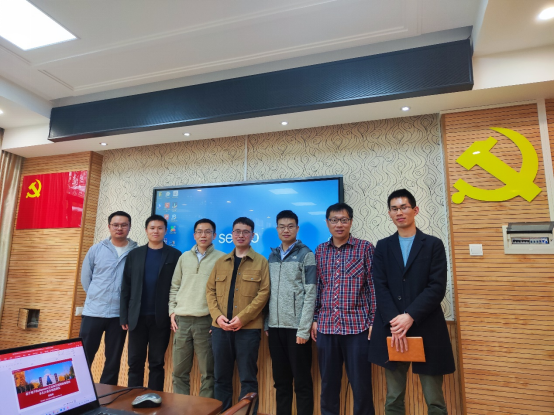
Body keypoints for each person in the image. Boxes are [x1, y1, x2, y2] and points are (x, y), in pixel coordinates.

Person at [368, 189, 455, 415]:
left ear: (415, 210)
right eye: (394, 209)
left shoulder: (433, 244)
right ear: (389, 213)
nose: (399, 212)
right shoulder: (383, 246)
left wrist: (410, 316)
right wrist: (396, 322)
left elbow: (436, 287)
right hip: (393, 330)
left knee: (434, 399)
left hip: (427, 326)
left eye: (404, 207)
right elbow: (380, 286)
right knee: (393, 397)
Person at [311, 202, 376, 415]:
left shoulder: (365, 248)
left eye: (344, 220)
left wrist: (373, 321)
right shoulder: (320, 251)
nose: (339, 224)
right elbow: (318, 288)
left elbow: (373, 287)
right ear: (327, 223)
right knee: (328, 386)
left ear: (351, 222)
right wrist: (314, 318)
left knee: (361, 385)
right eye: (334, 220)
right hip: (326, 327)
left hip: (357, 328)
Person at [206, 217, 270, 413]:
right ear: (232, 234)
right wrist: (217, 317)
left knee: (248, 379)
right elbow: (210, 291)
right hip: (220, 329)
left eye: (245, 231)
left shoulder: (261, 262)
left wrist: (243, 318)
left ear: (252, 235)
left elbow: (264, 293)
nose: (241, 235)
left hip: (248, 330)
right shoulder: (221, 262)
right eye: (237, 231)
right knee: (221, 378)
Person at [120, 214, 181, 391]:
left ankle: (155, 398)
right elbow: (126, 286)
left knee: (156, 363)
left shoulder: (175, 255)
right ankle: (133, 396)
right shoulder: (135, 254)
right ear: (146, 230)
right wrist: (124, 316)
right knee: (135, 362)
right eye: (152, 228)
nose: (156, 231)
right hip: (136, 317)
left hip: (161, 318)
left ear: (165, 231)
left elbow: (179, 287)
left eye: (160, 228)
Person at [265, 210, 316, 415]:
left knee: (302, 383)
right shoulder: (272, 255)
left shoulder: (306, 254)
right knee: (281, 382)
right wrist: (267, 322)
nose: (286, 230)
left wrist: (303, 330)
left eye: (290, 226)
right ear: (277, 229)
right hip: (275, 328)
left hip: (297, 330)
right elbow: (268, 292)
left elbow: (311, 293)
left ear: (297, 228)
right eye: (282, 226)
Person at [80, 211, 137, 385]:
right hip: (93, 312)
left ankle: (107, 393)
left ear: (129, 227)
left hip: (118, 315)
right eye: (115, 225)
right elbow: (86, 279)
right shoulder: (96, 249)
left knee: (113, 359)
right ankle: (82, 390)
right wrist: (97, 296)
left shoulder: (136, 252)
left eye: (124, 225)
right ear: (109, 226)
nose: (119, 228)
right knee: (84, 355)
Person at [169, 218, 225, 397]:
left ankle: (205, 409)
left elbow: (223, 293)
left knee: (208, 373)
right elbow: (175, 286)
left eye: (208, 231)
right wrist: (172, 311)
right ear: (194, 235)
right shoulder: (184, 257)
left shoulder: (222, 258)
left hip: (206, 322)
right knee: (179, 372)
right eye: (199, 231)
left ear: (214, 235)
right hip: (182, 321)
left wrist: (216, 319)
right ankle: (180, 407)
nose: (203, 235)